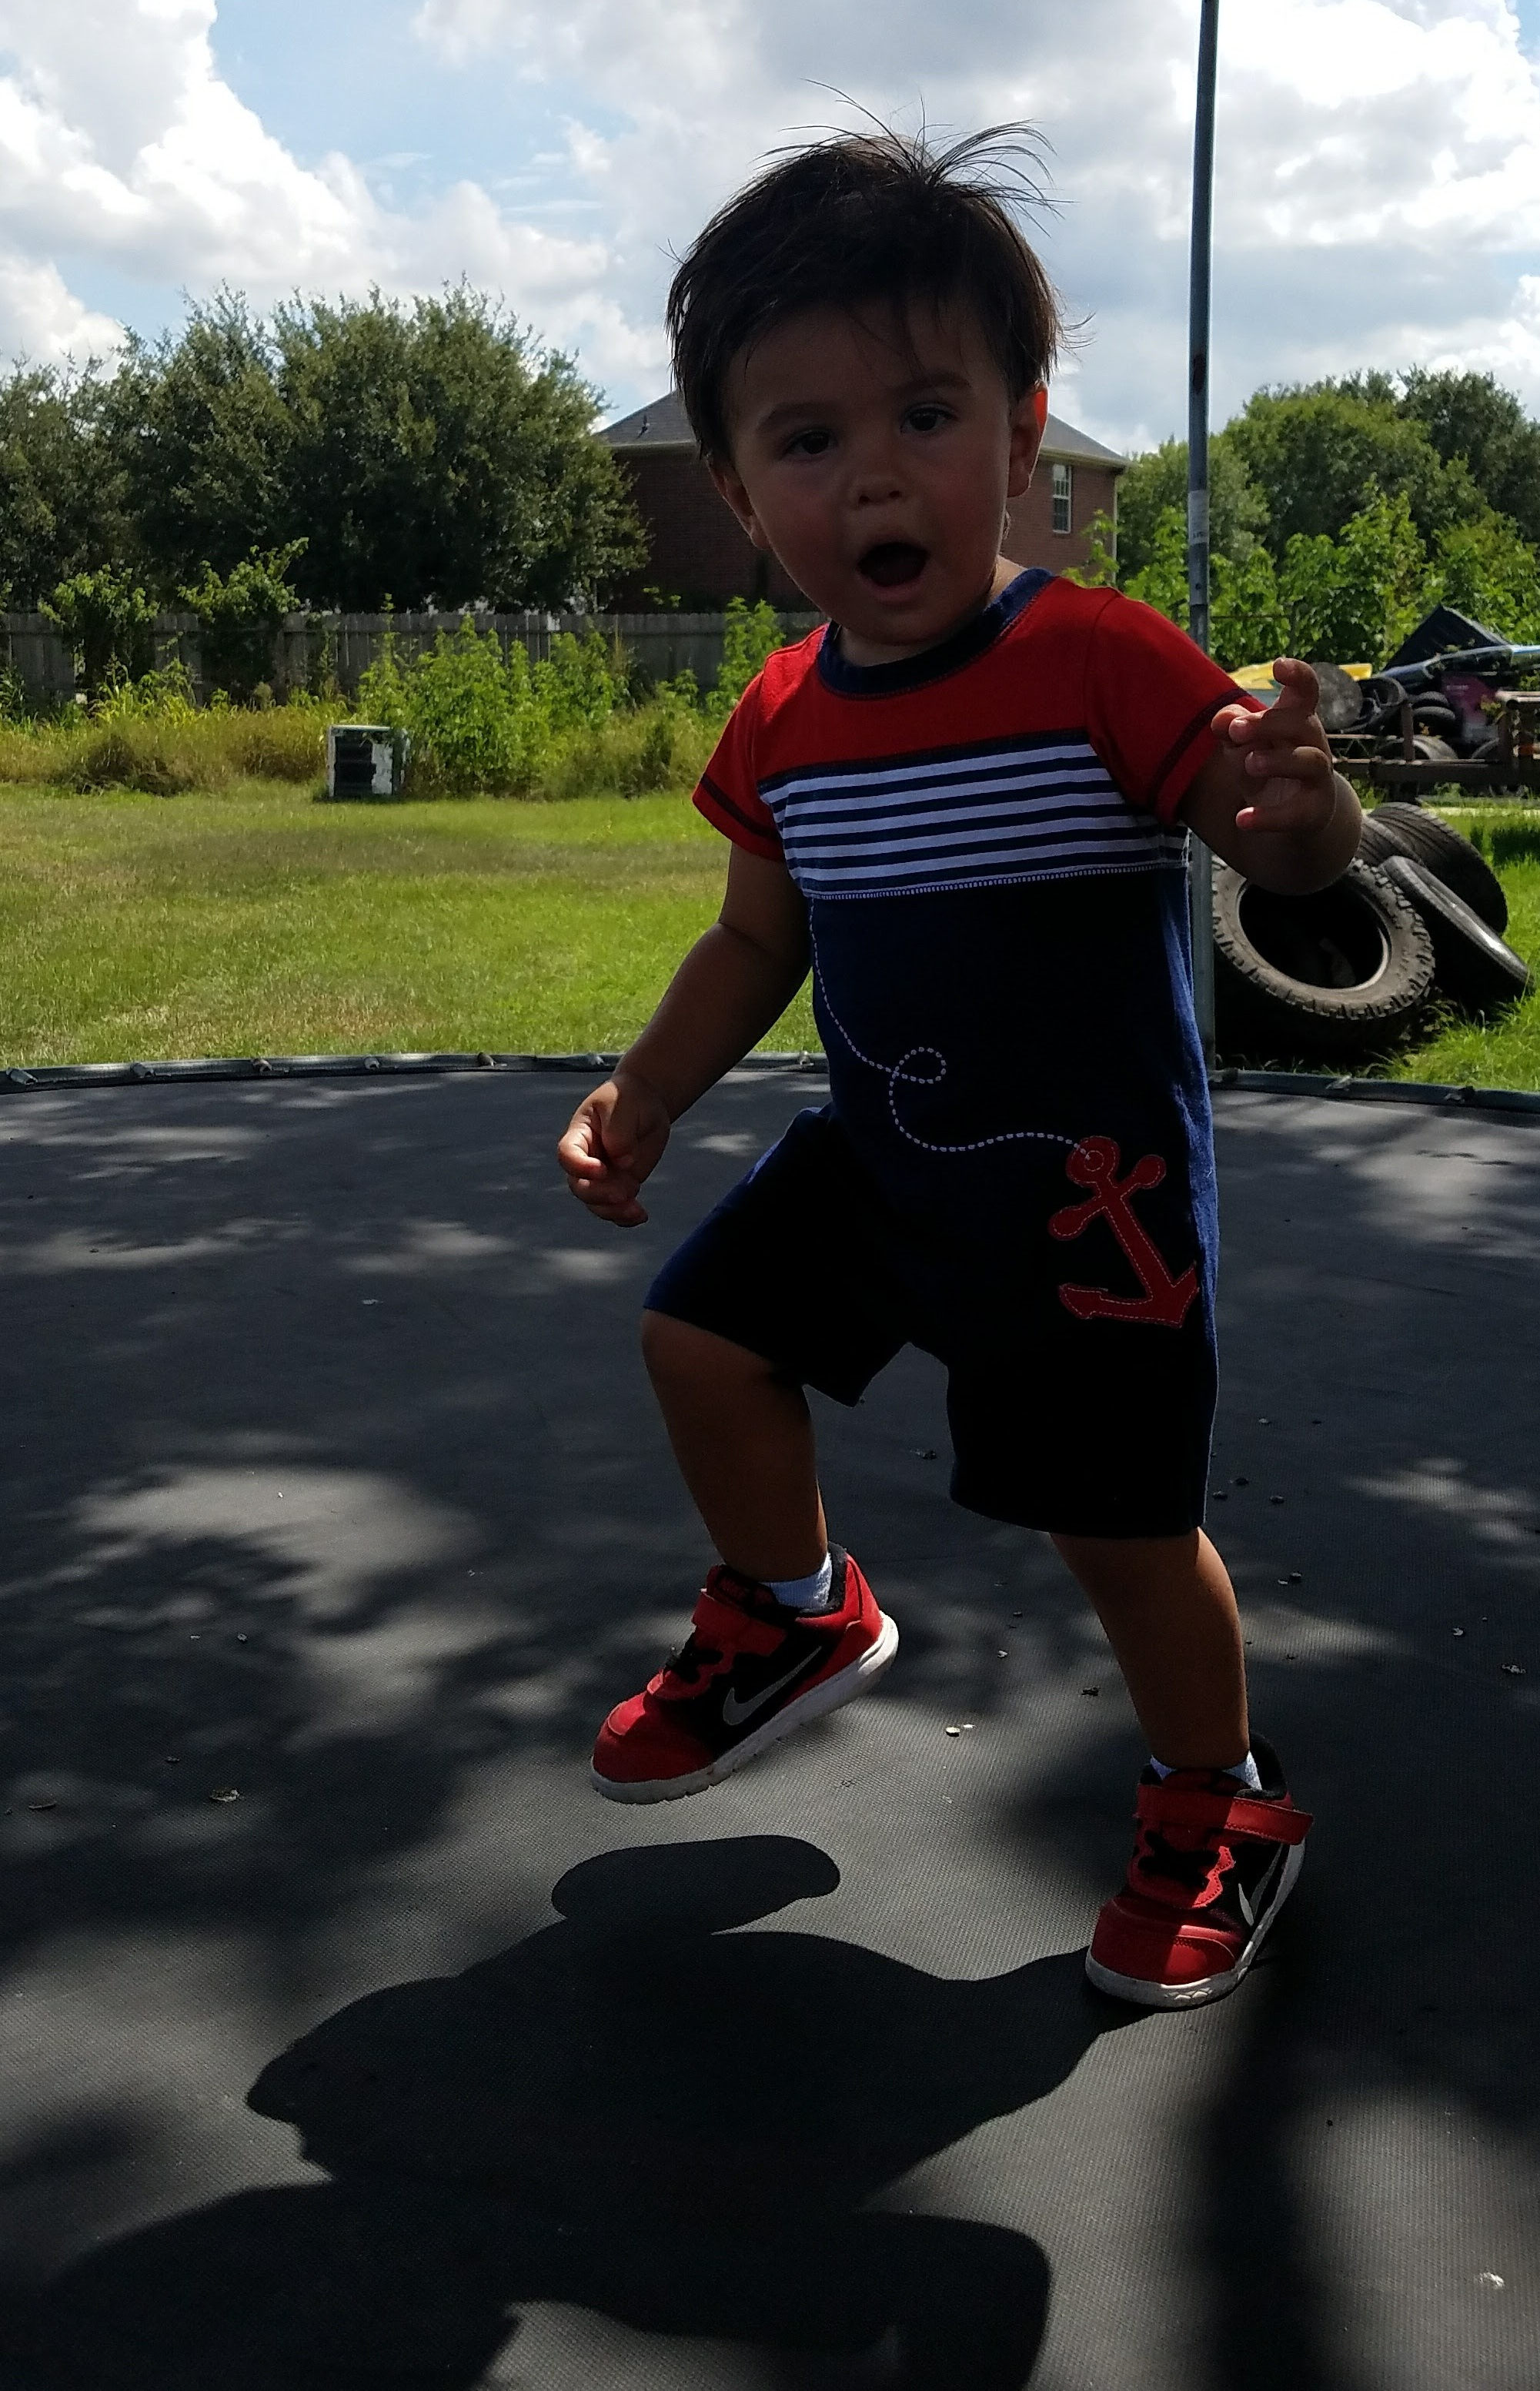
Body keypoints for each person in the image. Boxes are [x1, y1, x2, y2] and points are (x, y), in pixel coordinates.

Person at [558, 129, 1361, 2008]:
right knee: (701, 1337)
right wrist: (649, 1087)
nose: (874, 474)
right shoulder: (783, 713)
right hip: (882, 1156)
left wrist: (1304, 812)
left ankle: (1216, 1794)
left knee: (1118, 1525)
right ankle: (793, 1607)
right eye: (807, 439)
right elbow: (757, 941)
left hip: (1093, 1202)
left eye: (926, 416)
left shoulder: (1102, 660)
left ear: (1019, 443)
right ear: (740, 490)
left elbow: (1276, 855)